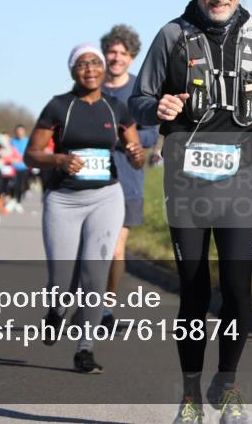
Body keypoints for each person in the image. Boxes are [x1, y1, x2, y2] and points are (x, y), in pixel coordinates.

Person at [129, 0, 252, 424]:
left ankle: (227, 383)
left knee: (239, 292)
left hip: (239, 184)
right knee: (195, 292)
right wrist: (155, 109)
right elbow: (140, 100)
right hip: (185, 186)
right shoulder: (171, 37)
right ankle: (189, 397)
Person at [25, 45, 145, 374]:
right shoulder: (59, 106)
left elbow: (137, 153)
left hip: (106, 197)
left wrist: (136, 154)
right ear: (72, 71)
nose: (90, 69)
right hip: (64, 199)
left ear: (104, 68)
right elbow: (30, 155)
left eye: (95, 62)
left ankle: (85, 349)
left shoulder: (116, 107)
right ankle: (55, 311)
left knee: (95, 274)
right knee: (62, 279)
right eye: (82, 64)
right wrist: (58, 159)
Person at [99, 24, 160, 327]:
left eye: (123, 53)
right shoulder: (90, 87)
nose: (117, 57)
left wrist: (127, 140)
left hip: (128, 182)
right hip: (90, 182)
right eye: (112, 51)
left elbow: (151, 134)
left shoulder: (140, 91)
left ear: (132, 57)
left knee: (114, 247)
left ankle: (105, 308)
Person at [9, 124, 31, 209]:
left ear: (24, 132)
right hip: (13, 168)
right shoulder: (12, 141)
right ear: (15, 132)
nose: (19, 133)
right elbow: (9, 152)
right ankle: (13, 198)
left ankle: (18, 201)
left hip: (24, 167)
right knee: (13, 185)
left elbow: (30, 153)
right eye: (18, 131)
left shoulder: (28, 141)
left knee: (21, 185)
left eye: (21, 131)